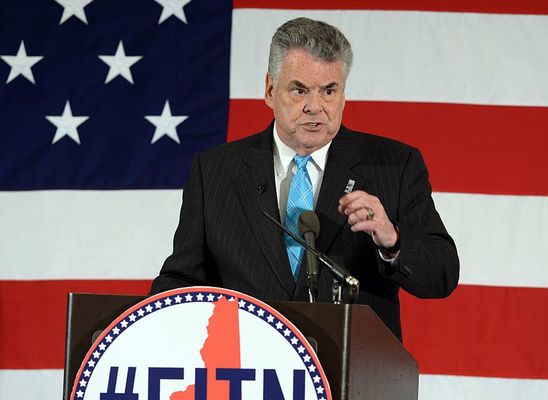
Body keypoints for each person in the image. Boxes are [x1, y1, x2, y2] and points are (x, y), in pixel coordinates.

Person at [150, 17, 459, 340]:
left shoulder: (394, 166)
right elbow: (181, 281)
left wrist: (391, 239)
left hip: (350, 373)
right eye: (299, 90)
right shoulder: (214, 171)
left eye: (329, 91)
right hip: (249, 371)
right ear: (270, 90)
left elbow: (442, 276)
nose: (315, 106)